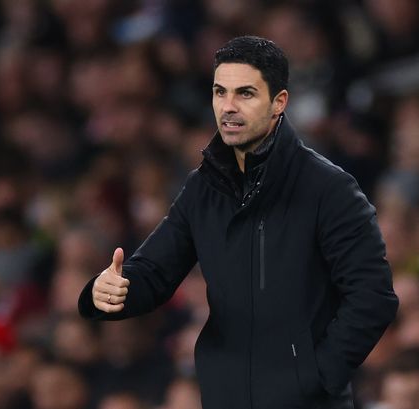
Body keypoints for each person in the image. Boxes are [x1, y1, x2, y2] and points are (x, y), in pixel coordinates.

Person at [78, 35, 398, 409]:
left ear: (279, 102)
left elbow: (373, 295)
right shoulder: (204, 187)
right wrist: (108, 292)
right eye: (219, 92)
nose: (227, 107)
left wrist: (315, 376)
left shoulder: (328, 189)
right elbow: (153, 271)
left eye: (245, 93)